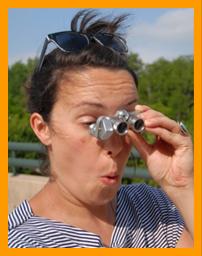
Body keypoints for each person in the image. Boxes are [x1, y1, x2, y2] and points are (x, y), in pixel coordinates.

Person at [8, 9, 193, 248]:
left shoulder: (153, 208)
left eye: (124, 120)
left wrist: (183, 185)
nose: (115, 145)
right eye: (91, 123)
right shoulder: (22, 242)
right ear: (42, 128)